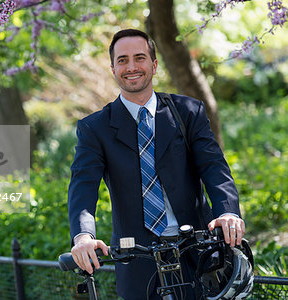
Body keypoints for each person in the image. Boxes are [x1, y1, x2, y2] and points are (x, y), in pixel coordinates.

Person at [68, 29, 245, 300]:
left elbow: (214, 168)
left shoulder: (188, 111)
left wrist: (228, 212)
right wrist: (83, 236)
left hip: (199, 254)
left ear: (154, 65)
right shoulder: (95, 128)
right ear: (113, 68)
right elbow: (83, 186)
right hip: (137, 260)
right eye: (123, 60)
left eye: (139, 58)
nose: (131, 67)